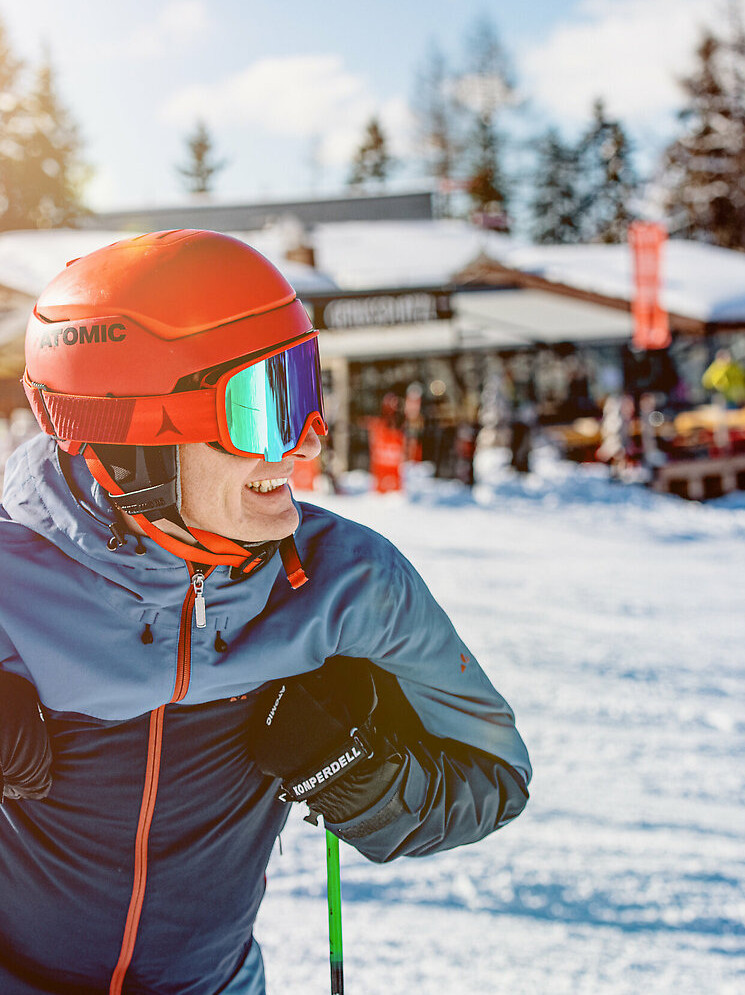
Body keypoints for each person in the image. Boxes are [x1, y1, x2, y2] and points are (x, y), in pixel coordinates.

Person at [0, 230, 531, 995]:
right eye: (264, 407)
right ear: (130, 436)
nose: (306, 443)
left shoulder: (349, 585)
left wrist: (366, 779)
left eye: (304, 390)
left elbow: (496, 775)